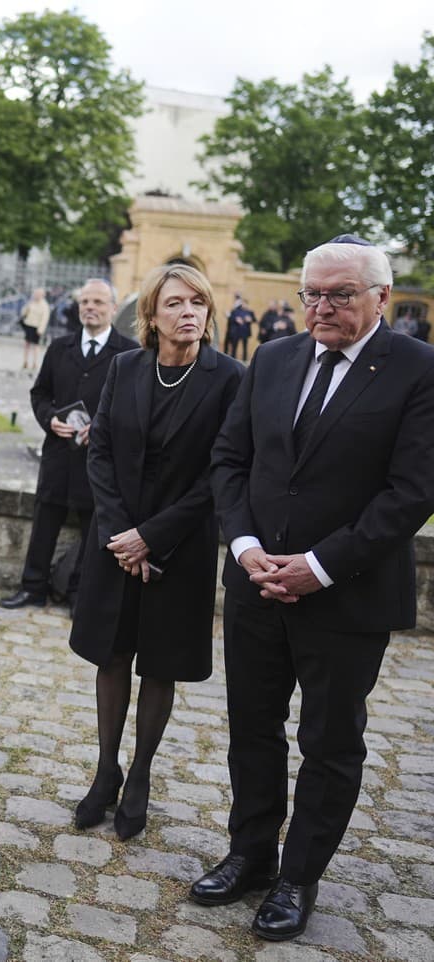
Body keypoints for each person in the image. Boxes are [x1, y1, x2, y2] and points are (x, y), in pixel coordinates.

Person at [192, 236, 434, 940]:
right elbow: (230, 460)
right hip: (255, 585)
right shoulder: (271, 358)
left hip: (346, 595)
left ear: (380, 298)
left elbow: (411, 491)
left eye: (340, 295)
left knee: (329, 742)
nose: (321, 308)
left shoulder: (418, 370)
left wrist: (320, 565)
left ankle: (299, 876)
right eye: (312, 295)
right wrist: (244, 547)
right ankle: (251, 853)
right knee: (252, 727)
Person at [68, 264, 243, 841]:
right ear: (151, 315)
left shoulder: (229, 379)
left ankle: (140, 773)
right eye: (174, 303)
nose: (188, 311)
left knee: (160, 663)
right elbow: (101, 453)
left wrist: (154, 536)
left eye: (198, 301)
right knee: (112, 655)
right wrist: (123, 535)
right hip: (116, 544)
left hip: (179, 548)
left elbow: (221, 472)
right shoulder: (124, 367)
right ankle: (105, 770)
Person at [0, 280, 138, 611]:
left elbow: (132, 408)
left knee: (93, 533)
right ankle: (32, 587)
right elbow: (39, 394)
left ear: (113, 309)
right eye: (85, 301)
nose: (90, 307)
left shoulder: (130, 353)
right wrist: (49, 419)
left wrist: (103, 429)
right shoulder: (59, 347)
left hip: (99, 462)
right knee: (44, 523)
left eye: (99, 302)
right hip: (58, 456)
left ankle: (80, 596)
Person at [20, 287, 48, 371]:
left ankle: (35, 363)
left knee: (35, 346)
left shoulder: (44, 305)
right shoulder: (31, 302)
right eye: (35, 294)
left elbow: (45, 318)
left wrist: (41, 329)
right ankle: (25, 362)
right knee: (26, 344)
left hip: (37, 327)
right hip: (29, 325)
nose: (36, 295)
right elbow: (23, 312)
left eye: (38, 294)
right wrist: (27, 306)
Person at [225, 294, 254, 361]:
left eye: (245, 304)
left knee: (245, 347)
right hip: (237, 332)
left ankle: (244, 359)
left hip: (245, 332)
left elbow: (254, 319)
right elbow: (231, 317)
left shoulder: (249, 312)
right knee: (234, 346)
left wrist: (250, 319)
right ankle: (232, 359)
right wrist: (236, 319)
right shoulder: (236, 311)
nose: (244, 305)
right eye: (243, 303)